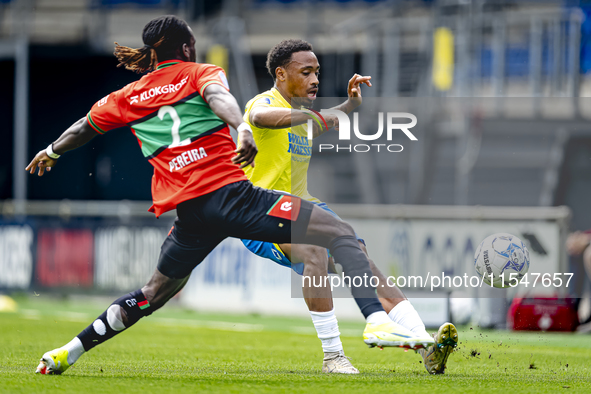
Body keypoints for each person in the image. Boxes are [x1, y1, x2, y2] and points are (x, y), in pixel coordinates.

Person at [27, 16, 431, 376]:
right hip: (233, 197)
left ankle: (69, 350)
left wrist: (51, 151)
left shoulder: (128, 95)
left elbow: (84, 125)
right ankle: (374, 318)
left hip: (191, 214)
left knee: (151, 294)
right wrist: (240, 126)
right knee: (338, 231)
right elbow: (223, 99)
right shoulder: (200, 72)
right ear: (186, 47)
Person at [240, 39, 458, 374]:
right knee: (314, 252)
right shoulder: (265, 103)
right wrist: (306, 113)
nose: (315, 80)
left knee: (361, 259)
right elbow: (259, 116)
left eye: (318, 72)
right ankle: (333, 357)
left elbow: (323, 120)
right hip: (262, 211)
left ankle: (424, 344)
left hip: (304, 204)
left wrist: (350, 104)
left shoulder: (302, 114)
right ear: (281, 74)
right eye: (306, 72)